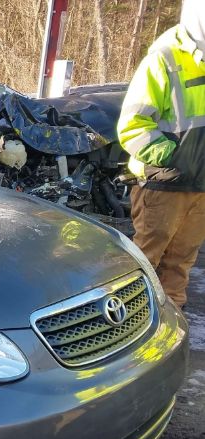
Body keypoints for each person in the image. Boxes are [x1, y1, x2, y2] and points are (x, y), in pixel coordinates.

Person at [117, 0, 205, 308]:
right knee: (144, 261)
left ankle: (171, 325)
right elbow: (132, 126)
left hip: (200, 187)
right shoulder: (165, 59)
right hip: (163, 184)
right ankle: (128, 322)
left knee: (181, 261)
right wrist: (176, 158)